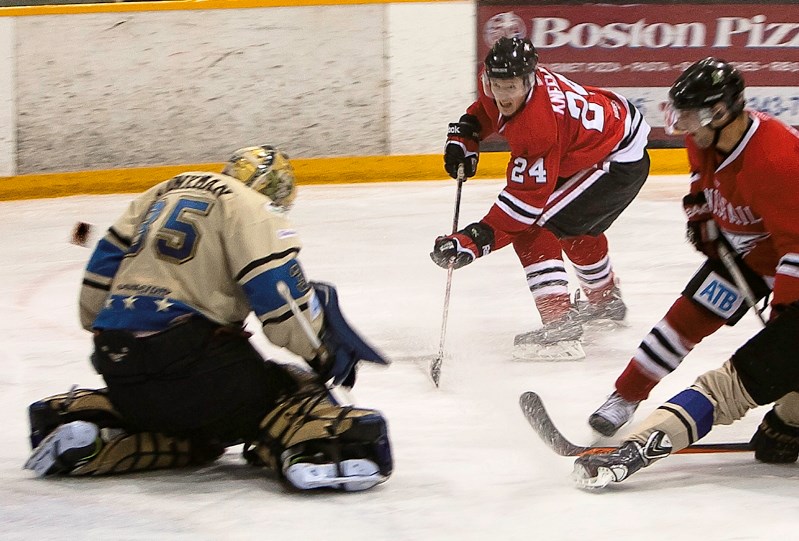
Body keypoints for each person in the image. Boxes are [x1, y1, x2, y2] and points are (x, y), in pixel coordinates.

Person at [23, 145, 393, 492]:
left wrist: (116, 337)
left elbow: (95, 291)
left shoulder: (159, 193)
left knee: (196, 436)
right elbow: (281, 303)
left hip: (118, 364)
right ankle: (315, 448)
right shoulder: (254, 208)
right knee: (289, 389)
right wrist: (320, 353)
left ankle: (96, 434)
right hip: (199, 368)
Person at [573, 58, 799, 489]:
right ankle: (625, 396)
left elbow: (797, 248)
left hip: (788, 253)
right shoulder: (702, 138)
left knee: (785, 348)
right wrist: (699, 213)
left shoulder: (775, 159)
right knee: (686, 318)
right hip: (748, 252)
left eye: (693, 115)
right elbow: (701, 180)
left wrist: (786, 315)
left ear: (722, 111)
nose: (684, 125)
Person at [429, 37, 650, 361]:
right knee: (575, 227)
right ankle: (604, 302)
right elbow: (489, 109)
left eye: (512, 87)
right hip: (599, 144)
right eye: (497, 86)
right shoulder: (502, 83)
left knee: (537, 227)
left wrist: (471, 241)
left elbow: (522, 209)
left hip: (615, 160)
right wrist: (467, 132)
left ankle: (560, 327)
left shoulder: (538, 126)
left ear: (529, 80)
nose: (503, 95)